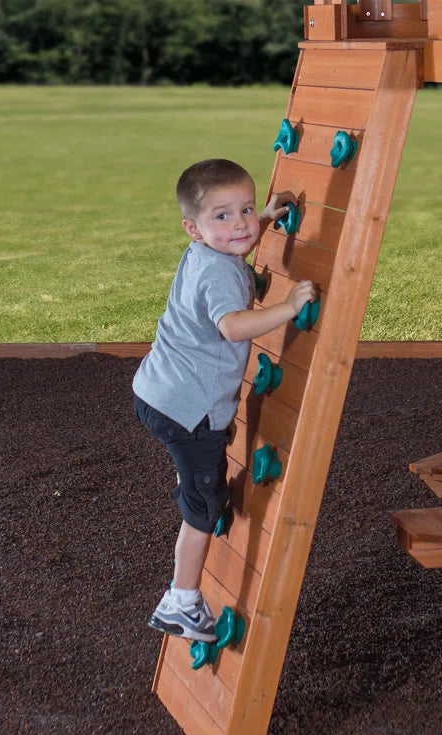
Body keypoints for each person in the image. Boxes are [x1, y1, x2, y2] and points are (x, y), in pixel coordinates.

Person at [132, 158, 316, 642]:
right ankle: (182, 602)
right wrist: (288, 307)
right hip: (187, 411)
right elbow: (233, 326)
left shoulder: (204, 254)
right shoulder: (218, 276)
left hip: (157, 393)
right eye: (223, 216)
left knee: (194, 471)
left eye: (247, 210)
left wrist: (268, 221)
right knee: (205, 507)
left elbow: (237, 240)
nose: (240, 225)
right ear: (193, 228)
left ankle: (187, 471)